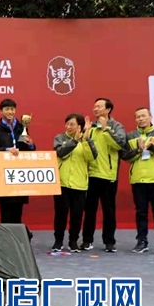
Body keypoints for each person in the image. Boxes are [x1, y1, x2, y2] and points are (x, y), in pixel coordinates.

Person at [121, 108, 154, 256]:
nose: (141, 119)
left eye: (143, 116)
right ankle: (141, 242)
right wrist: (138, 151)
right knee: (141, 213)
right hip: (138, 180)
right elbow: (125, 156)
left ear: (150, 117)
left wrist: (153, 147)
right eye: (138, 117)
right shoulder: (130, 136)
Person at [0, 98, 36, 239]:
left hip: (19, 176)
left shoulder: (21, 128)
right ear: (1, 112)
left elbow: (26, 150)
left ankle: (18, 240)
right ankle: (6, 241)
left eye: (12, 109)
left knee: (18, 212)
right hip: (3, 177)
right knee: (6, 212)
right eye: (7, 109)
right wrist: (7, 150)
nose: (10, 112)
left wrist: (31, 145)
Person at [82, 98, 126, 252]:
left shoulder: (116, 126)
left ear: (108, 109)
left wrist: (106, 128)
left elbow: (119, 144)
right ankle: (87, 240)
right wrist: (85, 134)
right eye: (94, 106)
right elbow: (85, 149)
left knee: (109, 211)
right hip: (91, 174)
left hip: (108, 175)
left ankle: (109, 241)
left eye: (99, 106)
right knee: (89, 210)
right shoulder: (91, 127)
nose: (96, 109)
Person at [52, 114, 97, 253]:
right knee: (61, 214)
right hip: (62, 183)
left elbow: (92, 157)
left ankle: (73, 241)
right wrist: (75, 141)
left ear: (80, 126)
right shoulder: (60, 138)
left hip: (79, 183)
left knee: (77, 215)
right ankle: (58, 241)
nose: (68, 127)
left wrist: (86, 140)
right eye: (67, 124)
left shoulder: (87, 139)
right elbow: (60, 153)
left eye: (72, 124)